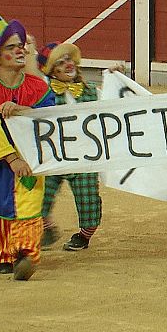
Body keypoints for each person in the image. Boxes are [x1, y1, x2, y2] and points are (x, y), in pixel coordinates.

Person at [0, 14, 55, 280]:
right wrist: (11, 158)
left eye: (21, 45)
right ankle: (2, 255)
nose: (21, 51)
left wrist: (24, 111)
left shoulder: (38, 87)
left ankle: (24, 254)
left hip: (31, 157)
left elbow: (51, 117)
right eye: (11, 47)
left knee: (28, 206)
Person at [29, 42, 122, 251]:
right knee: (37, 200)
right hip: (53, 157)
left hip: (83, 158)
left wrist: (117, 80)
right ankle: (47, 228)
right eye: (60, 63)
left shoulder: (91, 91)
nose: (67, 64)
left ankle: (83, 236)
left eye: (68, 59)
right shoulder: (42, 90)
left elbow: (116, 105)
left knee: (89, 206)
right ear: (52, 72)